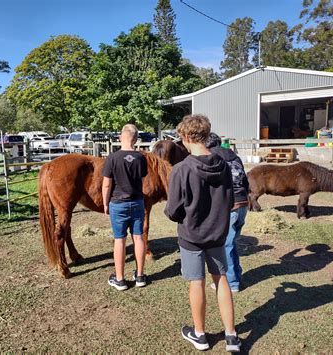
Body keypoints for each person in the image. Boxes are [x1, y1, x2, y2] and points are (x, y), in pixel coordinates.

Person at [164, 115, 241, 352]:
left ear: (186, 137)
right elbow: (229, 201)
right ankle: (231, 336)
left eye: (181, 139)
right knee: (222, 280)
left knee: (196, 283)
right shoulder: (224, 165)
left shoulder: (181, 169)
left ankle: (199, 335)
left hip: (191, 237)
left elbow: (173, 210)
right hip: (218, 234)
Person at [102, 124, 148, 291]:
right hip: (137, 202)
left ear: (121, 137)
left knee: (119, 240)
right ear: (135, 139)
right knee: (138, 238)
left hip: (118, 204)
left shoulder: (112, 158)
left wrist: (105, 203)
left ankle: (120, 279)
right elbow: (142, 179)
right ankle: (140, 276)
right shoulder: (141, 158)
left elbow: (106, 184)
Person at [206, 133, 249, 293]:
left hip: (230, 205)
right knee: (232, 244)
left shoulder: (213, 157)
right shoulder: (235, 156)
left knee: (226, 245)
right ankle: (236, 276)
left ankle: (232, 283)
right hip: (243, 202)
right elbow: (245, 180)